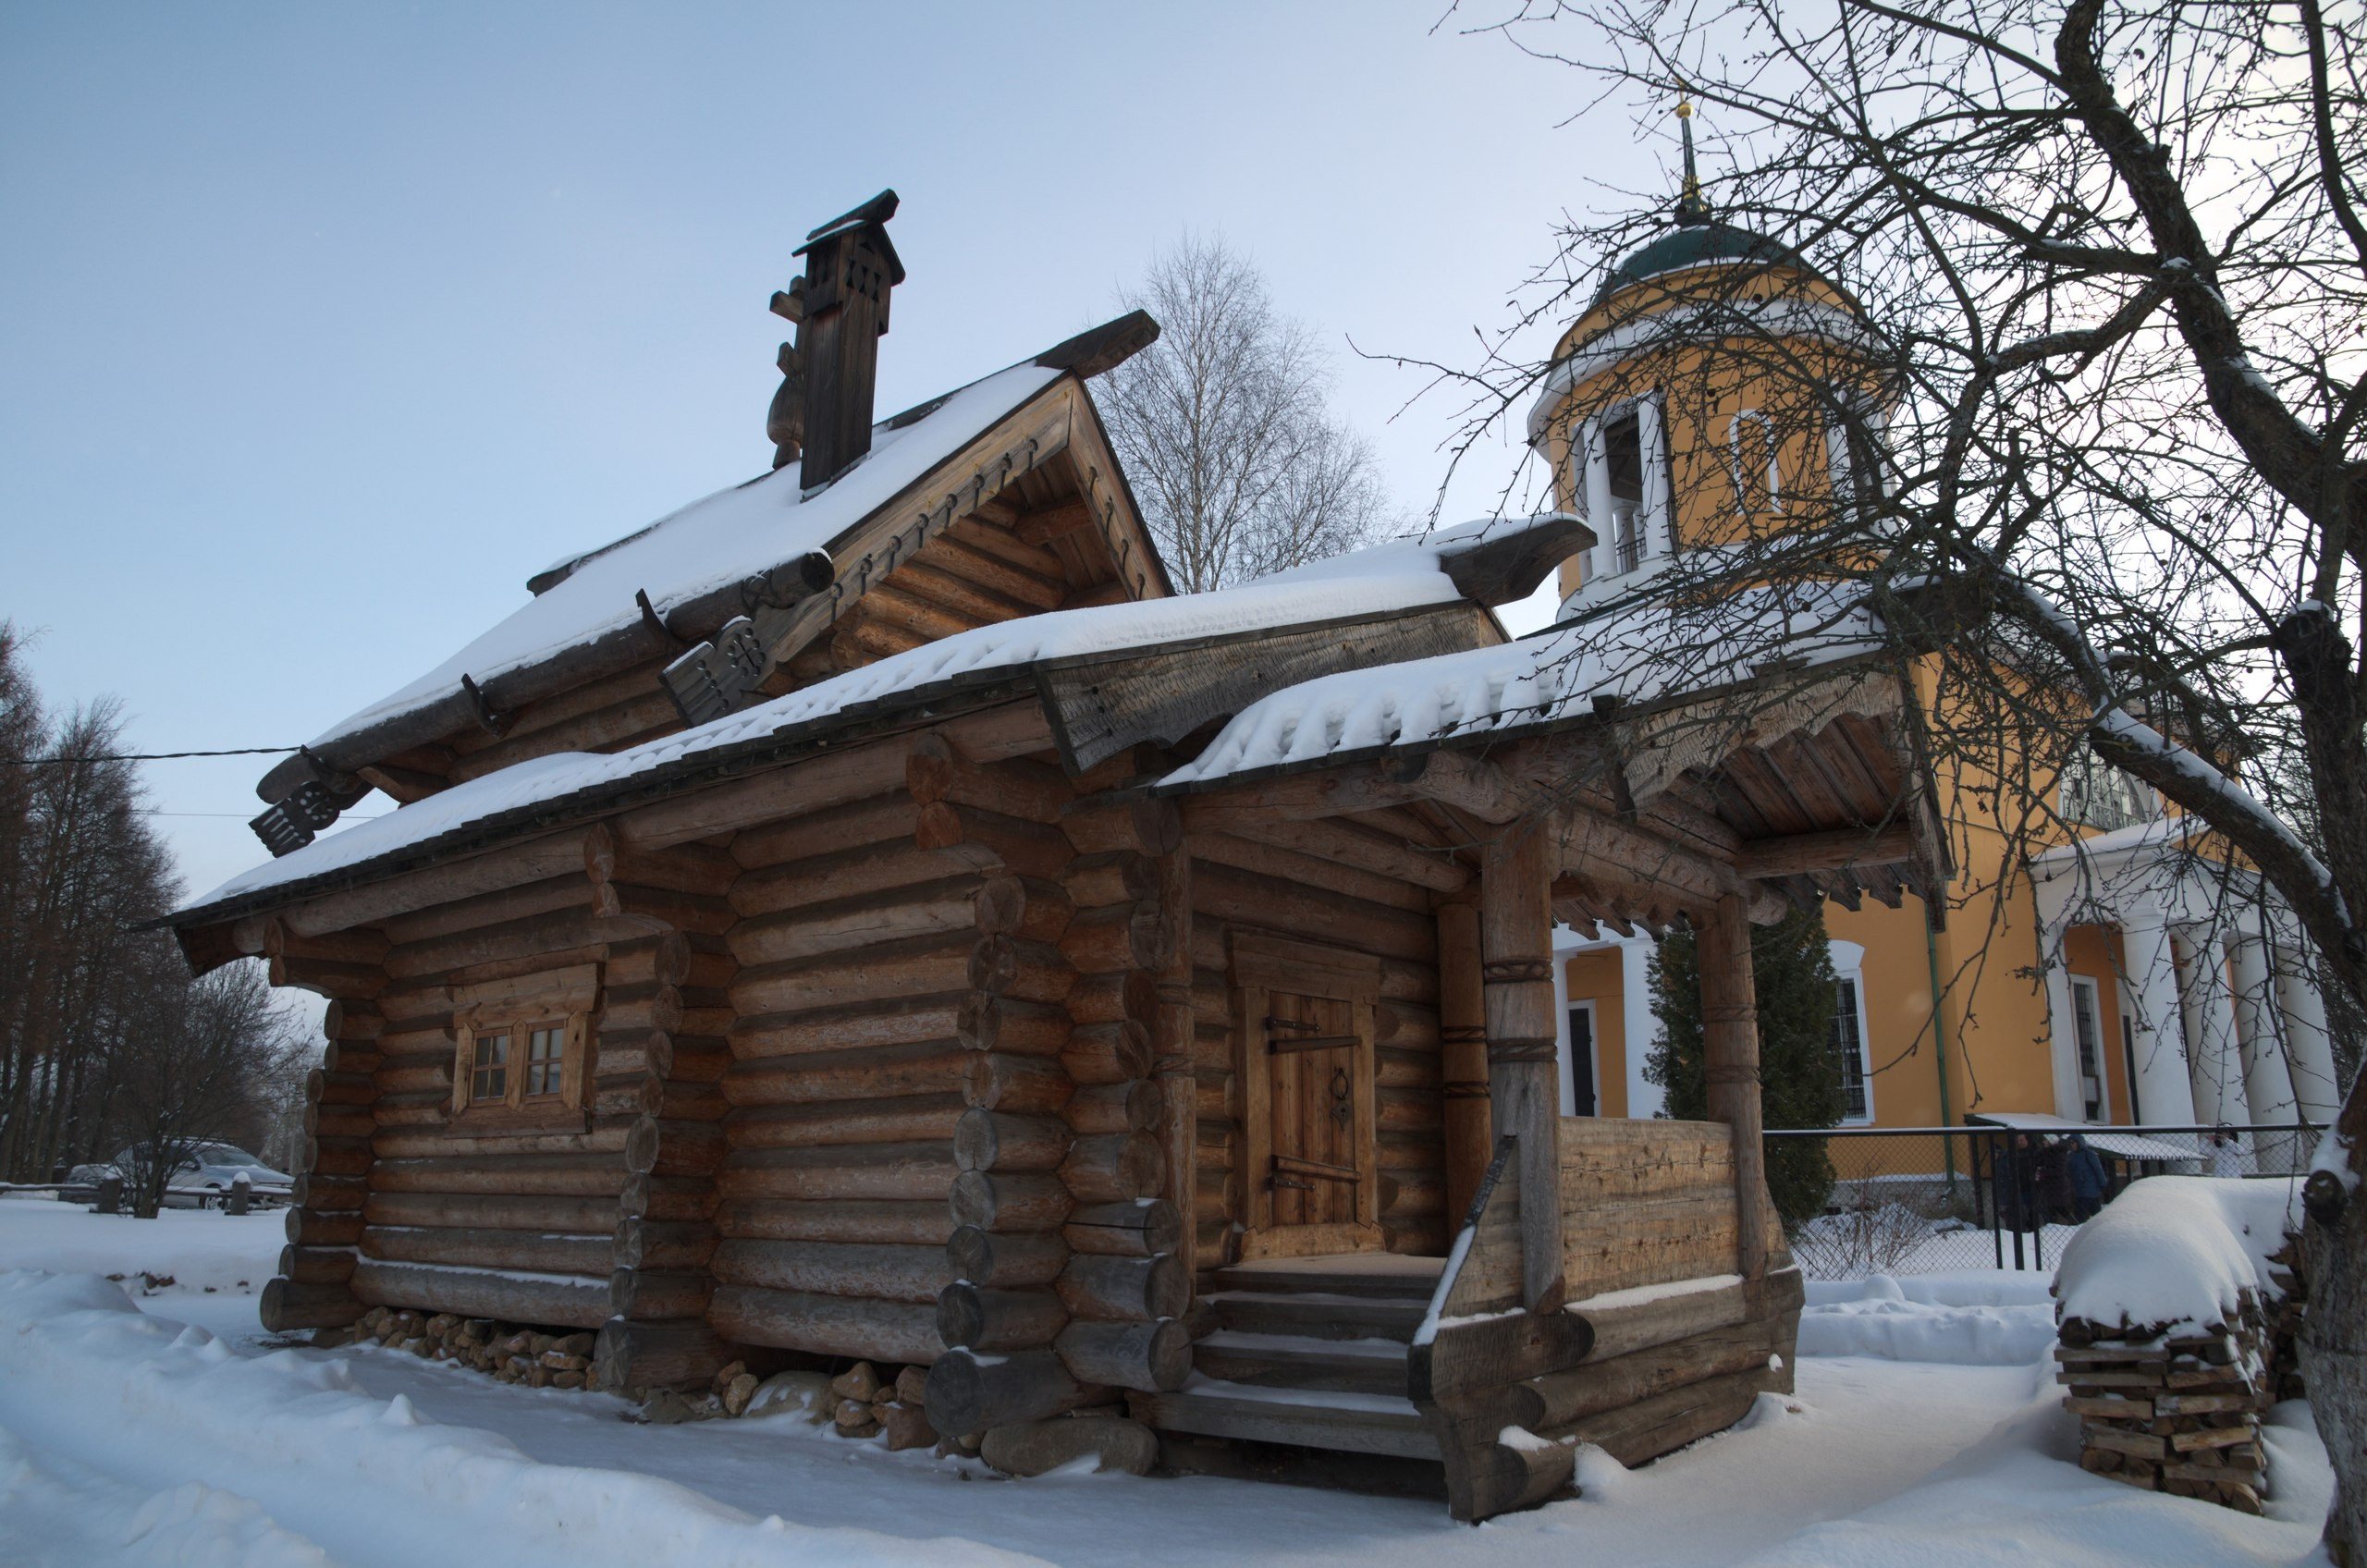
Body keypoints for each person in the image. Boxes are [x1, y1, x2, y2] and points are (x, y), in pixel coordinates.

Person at [2065, 1133, 2106, 1221]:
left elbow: (2098, 1169)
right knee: (2081, 1217)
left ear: (2079, 1143)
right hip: (2079, 1191)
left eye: (2074, 1142)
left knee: (2096, 1217)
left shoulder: (2089, 1154)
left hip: (2091, 1191)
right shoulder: (2070, 1156)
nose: (2072, 1145)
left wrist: (2103, 1183)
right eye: (2070, 1143)